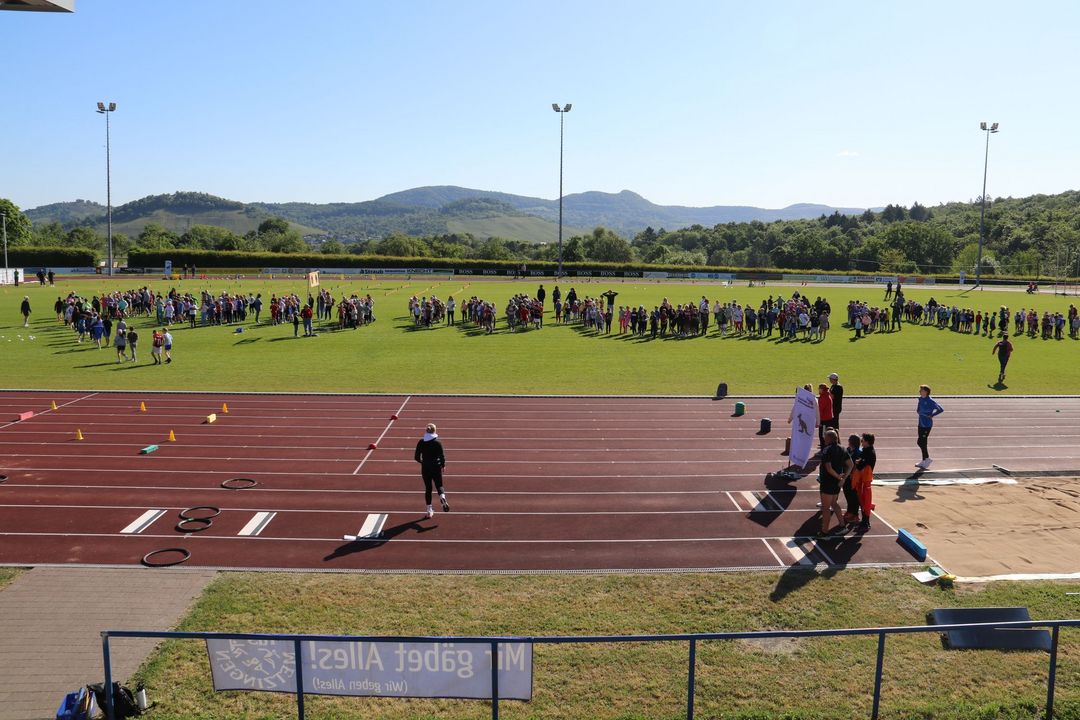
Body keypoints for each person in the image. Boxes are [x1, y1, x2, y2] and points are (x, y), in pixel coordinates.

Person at [816, 430, 852, 540]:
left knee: (826, 508)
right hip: (837, 484)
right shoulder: (843, 449)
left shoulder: (827, 450)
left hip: (828, 482)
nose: (824, 439)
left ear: (829, 438)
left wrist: (838, 477)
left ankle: (825, 532)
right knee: (834, 503)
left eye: (825, 437)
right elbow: (851, 465)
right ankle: (842, 525)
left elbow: (828, 467)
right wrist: (843, 478)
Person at [414, 423, 450, 518]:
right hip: (436, 467)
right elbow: (442, 456)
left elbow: (416, 457)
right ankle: (442, 497)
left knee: (428, 488)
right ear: (434, 431)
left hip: (426, 468)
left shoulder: (421, 442)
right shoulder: (437, 442)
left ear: (426, 431)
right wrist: (443, 465)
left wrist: (423, 462)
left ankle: (429, 511)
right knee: (439, 485)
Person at [851, 433, 876, 533]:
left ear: (867, 442)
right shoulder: (865, 451)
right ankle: (863, 521)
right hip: (862, 481)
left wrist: (859, 462)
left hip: (866, 483)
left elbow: (860, 465)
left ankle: (866, 523)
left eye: (862, 441)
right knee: (862, 502)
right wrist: (859, 462)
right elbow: (859, 463)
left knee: (866, 503)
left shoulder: (870, 452)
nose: (861, 442)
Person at [916, 384, 944, 469]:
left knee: (922, 442)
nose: (919, 391)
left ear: (926, 392)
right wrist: (918, 410)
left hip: (927, 424)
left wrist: (932, 415)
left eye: (921, 390)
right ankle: (925, 459)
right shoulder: (921, 399)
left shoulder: (930, 401)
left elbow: (940, 409)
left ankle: (926, 459)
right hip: (921, 423)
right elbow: (918, 408)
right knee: (920, 442)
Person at [817, 383, 834, 448]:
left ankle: (824, 449)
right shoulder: (827, 395)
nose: (818, 390)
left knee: (823, 435)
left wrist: (819, 421)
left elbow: (820, 410)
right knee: (826, 434)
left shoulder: (823, 397)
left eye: (819, 389)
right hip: (828, 418)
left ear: (822, 389)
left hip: (824, 420)